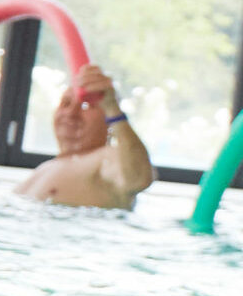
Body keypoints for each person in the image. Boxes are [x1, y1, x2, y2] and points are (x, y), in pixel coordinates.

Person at [15, 63, 153, 210]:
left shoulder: (107, 158)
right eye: (66, 103)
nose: (70, 113)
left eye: (86, 106)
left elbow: (138, 179)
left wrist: (112, 108)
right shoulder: (46, 167)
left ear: (108, 118)